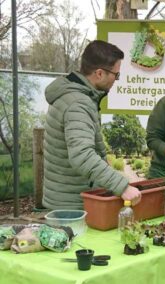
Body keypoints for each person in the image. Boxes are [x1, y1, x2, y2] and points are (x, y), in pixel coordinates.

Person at [43, 40, 141, 210]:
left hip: (66, 198)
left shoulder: (75, 95)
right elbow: (82, 155)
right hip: (71, 206)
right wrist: (122, 187)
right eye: (116, 75)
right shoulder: (78, 105)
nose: (116, 80)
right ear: (100, 73)